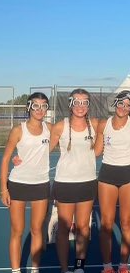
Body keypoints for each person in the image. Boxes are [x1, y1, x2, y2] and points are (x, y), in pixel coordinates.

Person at [1, 92, 51, 273]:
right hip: (18, 185)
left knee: (37, 230)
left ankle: (35, 269)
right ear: (29, 107)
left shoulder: (50, 128)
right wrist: (3, 190)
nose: (40, 109)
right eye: (36, 105)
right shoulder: (18, 130)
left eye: (44, 105)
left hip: (40, 185)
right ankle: (16, 270)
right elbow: (6, 159)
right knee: (17, 231)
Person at [94, 90, 130, 273]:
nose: (123, 107)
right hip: (107, 174)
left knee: (126, 222)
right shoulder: (103, 124)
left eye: (128, 105)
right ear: (115, 104)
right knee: (106, 223)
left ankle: (123, 265)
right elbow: (96, 151)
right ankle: (107, 266)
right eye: (121, 103)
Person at [50, 89, 99, 273]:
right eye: (77, 102)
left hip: (87, 183)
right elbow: (43, 150)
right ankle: (64, 269)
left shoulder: (94, 124)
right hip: (64, 183)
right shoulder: (60, 126)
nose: (81, 106)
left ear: (88, 105)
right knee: (63, 229)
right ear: (70, 103)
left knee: (83, 228)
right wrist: (21, 158)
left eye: (84, 102)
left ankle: (79, 267)